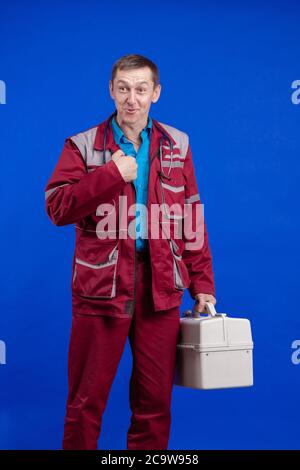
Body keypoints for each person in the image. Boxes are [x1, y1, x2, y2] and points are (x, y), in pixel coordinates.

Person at [44, 54, 217, 450]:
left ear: (155, 93)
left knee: (155, 403)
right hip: (102, 288)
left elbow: (190, 216)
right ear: (111, 90)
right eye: (124, 88)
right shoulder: (83, 145)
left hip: (161, 288)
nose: (132, 99)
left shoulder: (178, 144)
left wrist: (202, 284)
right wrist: (110, 175)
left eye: (141, 89)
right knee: (86, 402)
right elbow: (57, 208)